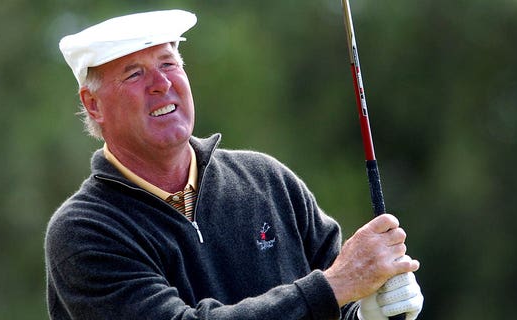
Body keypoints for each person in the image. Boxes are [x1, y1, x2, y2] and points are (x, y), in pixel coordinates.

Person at [45, 9, 423, 320]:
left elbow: (339, 301)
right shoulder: (84, 231)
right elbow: (334, 286)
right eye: (135, 73)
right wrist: (335, 286)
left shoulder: (267, 180)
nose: (161, 83)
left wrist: (367, 313)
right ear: (93, 104)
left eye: (169, 63)